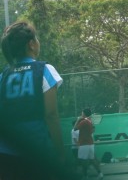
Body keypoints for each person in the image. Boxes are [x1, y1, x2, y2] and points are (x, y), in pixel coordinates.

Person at [0, 20, 75, 179]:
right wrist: (60, 152)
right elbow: (51, 115)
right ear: (31, 44)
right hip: (37, 151)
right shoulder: (44, 70)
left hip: (6, 154)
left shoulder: (3, 76)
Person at [74, 107, 104, 180]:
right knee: (92, 159)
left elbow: (74, 128)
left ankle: (85, 176)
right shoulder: (90, 121)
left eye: (82, 112)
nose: (81, 114)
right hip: (90, 144)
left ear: (84, 113)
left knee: (83, 161)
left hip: (84, 144)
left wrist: (78, 120)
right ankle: (100, 173)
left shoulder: (83, 122)